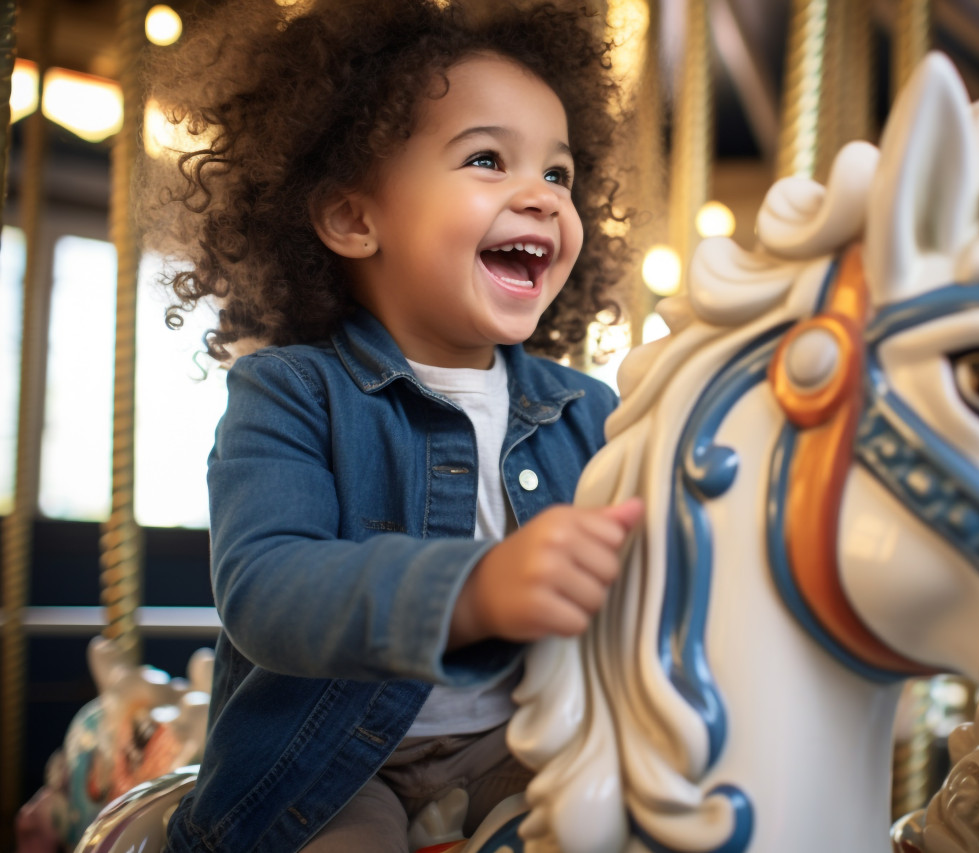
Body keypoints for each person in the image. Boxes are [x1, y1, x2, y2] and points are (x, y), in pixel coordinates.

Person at [143, 1, 641, 850]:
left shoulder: (589, 410)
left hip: (521, 744)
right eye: (488, 159)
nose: (543, 198)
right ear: (352, 218)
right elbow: (267, 587)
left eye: (558, 175)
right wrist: (472, 589)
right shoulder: (292, 392)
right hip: (330, 768)